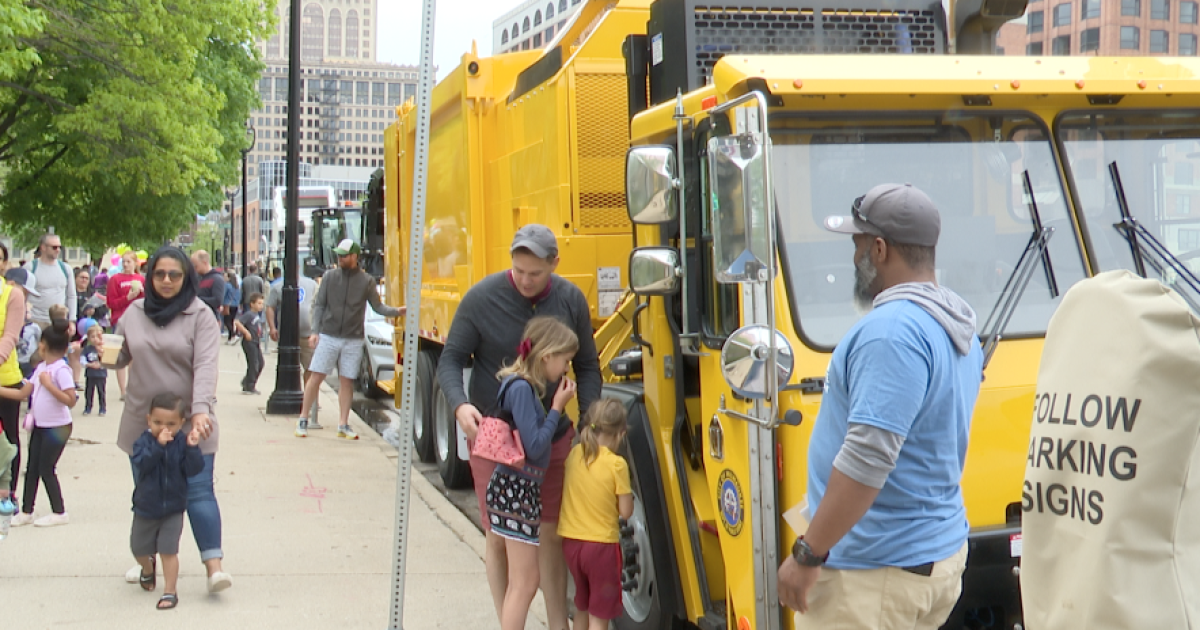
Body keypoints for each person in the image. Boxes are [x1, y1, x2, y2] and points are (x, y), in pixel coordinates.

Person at [777, 184, 983, 629]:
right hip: (926, 553)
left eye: (857, 246)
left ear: (880, 248)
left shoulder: (891, 332)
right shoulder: (953, 320)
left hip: (873, 574)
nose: (854, 259)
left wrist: (809, 552)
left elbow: (867, 458)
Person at [438, 223, 602, 630]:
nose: (526, 281)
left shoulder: (570, 299)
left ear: (554, 264)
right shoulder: (481, 298)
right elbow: (451, 359)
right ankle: (508, 619)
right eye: (519, 271)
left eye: (536, 273)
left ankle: (556, 623)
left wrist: (588, 423)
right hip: (495, 442)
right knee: (499, 536)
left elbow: (587, 367)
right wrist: (460, 406)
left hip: (552, 438)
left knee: (550, 533)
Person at [113, 246, 232, 593]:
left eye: (175, 274)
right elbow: (117, 357)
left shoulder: (200, 315)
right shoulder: (134, 313)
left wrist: (201, 411)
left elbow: (206, 366)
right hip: (145, 424)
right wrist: (94, 350)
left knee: (198, 491)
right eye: (160, 274)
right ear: (150, 277)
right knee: (149, 494)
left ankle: (214, 567)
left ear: (186, 277)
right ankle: (147, 562)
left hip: (189, 421)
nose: (167, 280)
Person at [485, 317, 578, 630]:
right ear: (547, 356)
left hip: (513, 490)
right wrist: (557, 408)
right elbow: (535, 447)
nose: (566, 369)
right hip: (516, 491)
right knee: (524, 583)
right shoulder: (523, 390)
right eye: (565, 360)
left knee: (522, 580)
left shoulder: (518, 385)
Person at [294, 239, 403, 439]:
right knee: (316, 376)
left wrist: (397, 311)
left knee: (347, 381)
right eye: (339, 255)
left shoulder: (366, 281)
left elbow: (378, 306)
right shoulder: (329, 277)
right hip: (329, 334)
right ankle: (303, 418)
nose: (340, 258)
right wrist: (315, 331)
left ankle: (343, 424)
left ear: (354, 256)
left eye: (344, 255)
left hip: (353, 338)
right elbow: (319, 305)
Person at [557, 399, 633, 630]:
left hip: (571, 545)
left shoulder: (574, 454)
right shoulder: (616, 465)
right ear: (621, 434)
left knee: (582, 605)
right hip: (601, 549)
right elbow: (626, 512)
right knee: (599, 615)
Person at [130, 392, 205, 610]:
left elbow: (193, 469)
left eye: (171, 424)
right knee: (138, 549)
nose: (164, 428)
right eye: (158, 422)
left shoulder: (181, 443)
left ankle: (170, 591)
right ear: (149, 420)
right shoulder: (143, 442)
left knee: (168, 550)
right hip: (146, 507)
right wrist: (158, 446)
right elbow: (142, 464)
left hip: (173, 507)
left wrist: (192, 448)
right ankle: (147, 569)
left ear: (181, 423)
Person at [10, 319, 75, 528]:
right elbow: (23, 393)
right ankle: (26, 511)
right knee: (32, 468)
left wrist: (49, 385)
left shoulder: (61, 370)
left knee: (47, 468)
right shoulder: (41, 368)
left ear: (42, 346)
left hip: (58, 427)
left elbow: (70, 400)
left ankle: (59, 511)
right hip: (40, 426)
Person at [265, 271, 319, 420]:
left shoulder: (312, 284)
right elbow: (270, 307)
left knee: (311, 369)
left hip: (307, 335)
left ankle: (310, 400)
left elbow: (319, 306)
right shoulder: (277, 286)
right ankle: (301, 399)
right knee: (289, 369)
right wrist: (272, 328)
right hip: (287, 336)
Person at [0, 264, 31, 504]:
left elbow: (10, 336)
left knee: (9, 440)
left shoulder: (12, 294)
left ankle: (8, 495)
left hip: (6, 379)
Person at [107, 251, 144, 400]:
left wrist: (142, 293)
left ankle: (132, 388)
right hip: (120, 319)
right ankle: (123, 390)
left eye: (129, 261)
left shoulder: (141, 279)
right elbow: (111, 303)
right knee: (120, 355)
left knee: (135, 356)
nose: (126, 264)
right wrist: (127, 298)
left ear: (135, 263)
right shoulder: (115, 279)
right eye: (124, 261)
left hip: (138, 320)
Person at [28, 233, 77, 325]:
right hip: (35, 320)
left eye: (59, 247)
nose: (58, 250)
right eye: (54, 247)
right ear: (43, 247)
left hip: (59, 321)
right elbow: (22, 295)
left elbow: (71, 295)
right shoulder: (30, 268)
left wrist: (72, 320)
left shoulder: (66, 268)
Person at [233, 293, 265, 395]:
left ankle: (246, 381)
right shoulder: (249, 314)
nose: (261, 306)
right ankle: (250, 386)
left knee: (261, 363)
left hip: (256, 342)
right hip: (249, 342)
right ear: (252, 304)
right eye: (259, 303)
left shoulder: (257, 315)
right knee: (253, 364)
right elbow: (237, 322)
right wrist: (246, 332)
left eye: (262, 304)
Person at [191, 250, 226, 321]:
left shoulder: (217, 279)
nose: (194, 269)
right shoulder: (197, 278)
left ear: (204, 263)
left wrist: (196, 300)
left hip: (211, 318)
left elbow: (217, 301)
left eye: (196, 266)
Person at [81, 326, 107, 416]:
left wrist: (101, 364)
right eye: (92, 336)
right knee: (88, 392)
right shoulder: (87, 349)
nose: (95, 339)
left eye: (97, 336)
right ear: (88, 338)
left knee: (101, 392)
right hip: (90, 374)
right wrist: (88, 364)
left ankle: (102, 408)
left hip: (101, 374)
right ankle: (88, 407)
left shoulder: (104, 348)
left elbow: (108, 359)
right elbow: (82, 360)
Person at [222, 271, 241, 344]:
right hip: (235, 305)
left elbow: (223, 294)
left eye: (225, 276)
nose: (224, 278)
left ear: (229, 278)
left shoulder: (227, 285)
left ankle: (233, 335)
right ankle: (230, 338)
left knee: (227, 321)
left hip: (228, 305)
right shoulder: (237, 287)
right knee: (231, 321)